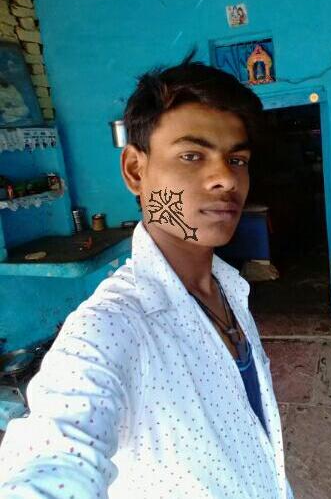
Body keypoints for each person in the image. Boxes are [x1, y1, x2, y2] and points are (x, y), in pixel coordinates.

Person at [0, 56, 293, 499]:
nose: (225, 179)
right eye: (192, 156)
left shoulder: (229, 288)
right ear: (136, 171)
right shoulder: (110, 327)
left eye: (237, 159)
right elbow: (55, 458)